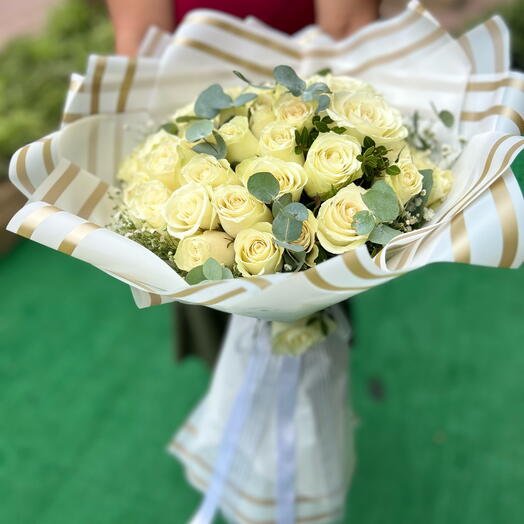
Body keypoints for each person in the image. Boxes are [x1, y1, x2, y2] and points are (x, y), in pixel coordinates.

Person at [107, 0, 380, 364]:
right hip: (193, 137)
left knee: (323, 303)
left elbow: (349, 27)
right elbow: (140, 46)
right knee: (217, 319)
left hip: (309, 106)